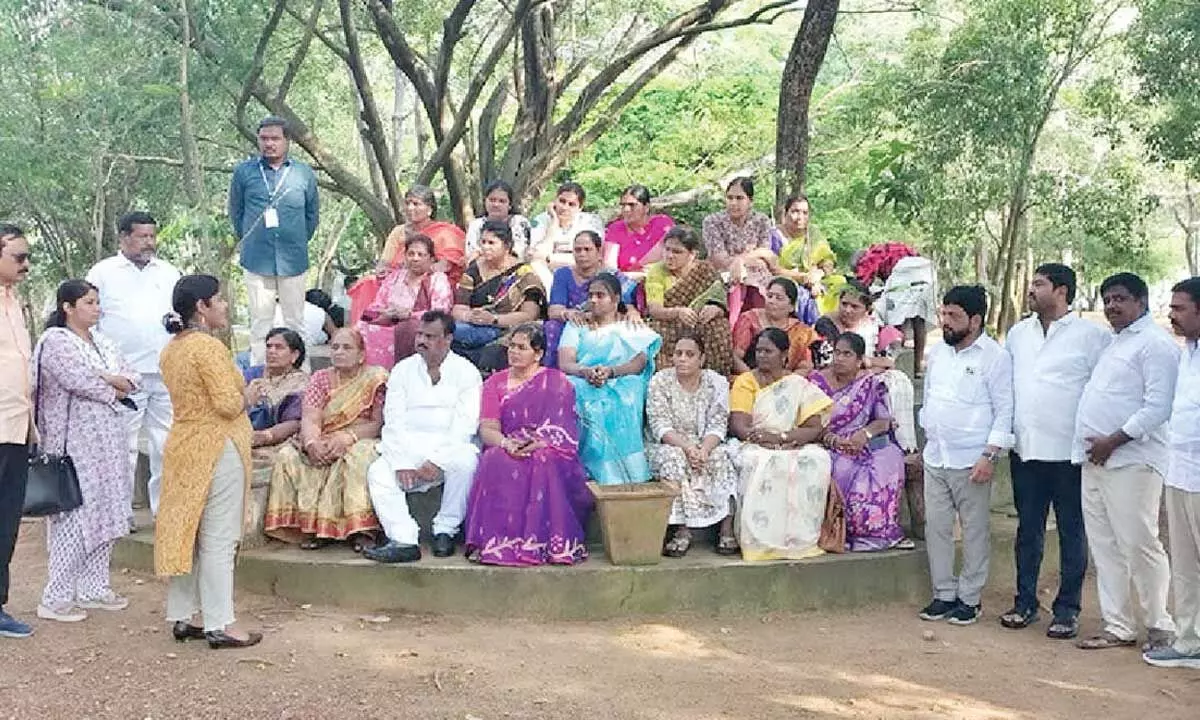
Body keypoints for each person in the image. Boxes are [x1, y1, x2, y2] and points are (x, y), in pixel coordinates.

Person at [1001, 264, 1109, 639]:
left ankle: (1067, 610)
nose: (1031, 290)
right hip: (1027, 451)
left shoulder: (1091, 336)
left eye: (1038, 284)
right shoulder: (1018, 334)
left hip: (1070, 453)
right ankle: (1025, 602)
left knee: (1071, 532)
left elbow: (1103, 390)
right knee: (1027, 531)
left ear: (1061, 291)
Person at [1074, 273, 1178, 651]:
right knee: (1104, 545)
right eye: (1107, 299)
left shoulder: (1156, 345)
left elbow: (1158, 407)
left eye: (1120, 298)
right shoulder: (1114, 343)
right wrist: (1096, 446)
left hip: (1133, 460)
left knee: (1139, 542)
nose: (1111, 306)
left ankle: (1160, 623)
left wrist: (1113, 440)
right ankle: (1118, 625)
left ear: (1141, 301)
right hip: (1095, 461)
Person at [156, 275, 261, 649]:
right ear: (201, 306)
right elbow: (228, 405)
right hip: (219, 444)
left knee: (191, 532)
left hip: (184, 444)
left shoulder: (172, 349)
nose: (225, 305)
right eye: (218, 300)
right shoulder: (208, 348)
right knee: (218, 537)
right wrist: (249, 393)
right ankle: (221, 622)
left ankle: (183, 615)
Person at [32, 280, 138, 622]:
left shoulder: (104, 342)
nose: (96, 308)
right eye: (89, 302)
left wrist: (111, 378)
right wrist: (113, 383)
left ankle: (94, 587)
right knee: (75, 515)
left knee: (107, 510)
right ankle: (56, 596)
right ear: (68, 307)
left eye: (97, 302)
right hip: (72, 443)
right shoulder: (56, 342)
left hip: (109, 441)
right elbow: (78, 380)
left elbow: (133, 377)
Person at [918, 285, 1013, 627]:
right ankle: (943, 593)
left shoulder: (995, 357)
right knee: (937, 527)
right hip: (936, 456)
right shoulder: (939, 353)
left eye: (953, 316)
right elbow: (929, 398)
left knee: (974, 530)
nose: (945, 322)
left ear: (974, 320)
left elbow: (1005, 411)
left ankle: (969, 598)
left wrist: (990, 455)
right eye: (944, 314)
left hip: (972, 459)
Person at [464, 324, 593, 566]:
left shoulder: (557, 381)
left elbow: (563, 430)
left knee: (542, 459)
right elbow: (488, 428)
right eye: (511, 346)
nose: (513, 352)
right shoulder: (495, 383)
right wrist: (506, 443)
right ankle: (498, 543)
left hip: (549, 448)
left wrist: (539, 442)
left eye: (521, 347)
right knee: (494, 459)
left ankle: (541, 543)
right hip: (510, 443)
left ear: (538, 353)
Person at [365, 311, 482, 563]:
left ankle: (445, 530)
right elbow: (393, 421)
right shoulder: (402, 370)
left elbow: (465, 424)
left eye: (430, 336)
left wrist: (438, 460)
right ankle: (404, 539)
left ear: (448, 338)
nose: (422, 341)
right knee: (379, 472)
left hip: (449, 446)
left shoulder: (466, 372)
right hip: (409, 445)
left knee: (467, 462)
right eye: (420, 334)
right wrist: (402, 462)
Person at [86, 211, 181, 519]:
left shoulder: (168, 272)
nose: (149, 243)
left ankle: (164, 512)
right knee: (122, 445)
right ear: (124, 237)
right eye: (142, 237)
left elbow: (182, 312)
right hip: (124, 375)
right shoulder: (103, 273)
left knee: (166, 443)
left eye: (152, 236)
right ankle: (119, 514)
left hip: (166, 369)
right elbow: (90, 322)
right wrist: (104, 370)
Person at [264, 328, 386, 551]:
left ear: (361, 355)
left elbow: (378, 424)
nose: (339, 352)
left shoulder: (375, 378)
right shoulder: (320, 379)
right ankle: (315, 528)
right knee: (288, 455)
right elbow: (310, 417)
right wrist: (312, 443)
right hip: (324, 436)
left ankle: (361, 530)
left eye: (347, 347)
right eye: (335, 347)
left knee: (357, 456)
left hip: (361, 436)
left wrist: (348, 437)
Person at [728, 328, 833, 561]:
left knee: (816, 459)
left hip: (788, 441)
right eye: (759, 351)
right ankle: (759, 542)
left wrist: (784, 438)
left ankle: (799, 540)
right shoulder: (746, 382)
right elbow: (740, 425)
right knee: (762, 460)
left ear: (784, 354)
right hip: (754, 443)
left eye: (768, 351)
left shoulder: (796, 383)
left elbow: (815, 428)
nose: (762, 356)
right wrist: (762, 439)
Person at [229, 116, 320, 365]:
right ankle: (259, 380)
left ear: (287, 141)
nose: (269, 144)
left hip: (293, 259)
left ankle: (301, 381)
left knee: (295, 322)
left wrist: (297, 240)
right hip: (257, 258)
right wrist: (252, 240)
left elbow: (311, 216)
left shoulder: (302, 173)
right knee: (260, 323)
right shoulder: (244, 172)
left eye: (275, 138)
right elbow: (236, 213)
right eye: (264, 139)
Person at [1144, 277, 1200, 668]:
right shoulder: (1187, 353)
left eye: (1179, 308)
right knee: (1185, 563)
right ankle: (1188, 641)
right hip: (1180, 473)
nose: (1171, 314)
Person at [810, 332, 909, 552]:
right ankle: (844, 532)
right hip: (825, 442)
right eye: (836, 352)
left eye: (847, 354)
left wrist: (864, 434)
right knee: (843, 465)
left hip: (862, 441)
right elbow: (808, 422)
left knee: (890, 456)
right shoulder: (816, 382)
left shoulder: (870, 384)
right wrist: (833, 439)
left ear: (859, 360)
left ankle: (879, 531)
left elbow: (884, 421)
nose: (839, 358)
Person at [559, 273, 661, 485]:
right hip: (583, 377)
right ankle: (587, 471)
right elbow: (566, 363)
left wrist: (611, 372)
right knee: (573, 388)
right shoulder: (577, 324)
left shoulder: (629, 326)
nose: (594, 300)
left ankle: (625, 474)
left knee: (628, 391)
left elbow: (638, 364)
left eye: (600, 295)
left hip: (621, 377)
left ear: (615, 299)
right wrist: (586, 371)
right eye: (591, 295)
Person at [646, 332, 738, 557]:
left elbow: (718, 423)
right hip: (668, 443)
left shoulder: (716, 382)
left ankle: (726, 527)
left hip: (705, 443)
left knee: (722, 457)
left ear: (702, 359)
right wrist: (688, 449)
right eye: (678, 354)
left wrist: (703, 449)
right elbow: (659, 426)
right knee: (674, 458)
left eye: (690, 354)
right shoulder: (660, 381)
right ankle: (682, 529)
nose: (682, 359)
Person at [346, 185, 466, 323]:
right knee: (367, 283)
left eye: (416, 204)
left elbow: (445, 266)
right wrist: (384, 272)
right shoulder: (398, 231)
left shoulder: (446, 232)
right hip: (395, 279)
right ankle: (359, 331)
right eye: (407, 203)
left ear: (430, 209)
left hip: (429, 280)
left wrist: (414, 271)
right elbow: (383, 263)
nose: (410, 208)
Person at [451, 219, 546, 374]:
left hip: (506, 328)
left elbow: (530, 315)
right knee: (447, 333)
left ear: (507, 246)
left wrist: (494, 320)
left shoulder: (524, 274)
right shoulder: (473, 270)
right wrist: (470, 316)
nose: (485, 247)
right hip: (474, 325)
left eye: (491, 243)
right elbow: (458, 307)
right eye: (483, 242)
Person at [645, 226, 734, 376]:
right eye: (667, 250)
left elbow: (719, 297)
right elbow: (654, 310)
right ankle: (670, 378)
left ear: (692, 254)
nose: (669, 255)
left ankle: (715, 376)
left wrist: (715, 308)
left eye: (677, 252)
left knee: (718, 325)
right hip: (669, 323)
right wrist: (678, 312)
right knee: (657, 334)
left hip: (699, 321)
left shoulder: (705, 270)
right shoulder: (657, 272)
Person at [355, 234, 453, 369]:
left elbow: (440, 312)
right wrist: (385, 313)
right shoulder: (395, 277)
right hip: (388, 321)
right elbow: (377, 304)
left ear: (431, 259)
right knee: (362, 326)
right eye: (411, 254)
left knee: (406, 329)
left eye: (421, 254)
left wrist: (408, 314)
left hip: (418, 324)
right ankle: (369, 377)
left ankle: (395, 375)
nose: (415, 259)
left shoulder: (437, 279)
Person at [0, 225, 31, 639]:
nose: (26, 265)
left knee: (6, 521)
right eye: (18, 257)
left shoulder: (15, 303)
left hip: (17, 426)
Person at [544, 230, 637, 368]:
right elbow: (554, 310)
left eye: (587, 249)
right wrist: (569, 314)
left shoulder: (610, 275)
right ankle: (553, 376)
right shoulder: (563, 274)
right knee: (552, 326)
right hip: (574, 323)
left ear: (599, 252)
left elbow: (626, 302)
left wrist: (632, 311)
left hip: (603, 322)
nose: (582, 254)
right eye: (577, 250)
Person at [701, 177, 774, 325]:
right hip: (722, 276)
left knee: (769, 290)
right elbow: (719, 259)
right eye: (730, 198)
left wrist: (739, 261)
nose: (733, 203)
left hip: (757, 275)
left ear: (750, 201)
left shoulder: (762, 221)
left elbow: (765, 255)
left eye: (739, 198)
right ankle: (734, 331)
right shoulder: (712, 222)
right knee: (735, 284)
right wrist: (744, 261)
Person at [242, 328, 308, 470]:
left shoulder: (301, 383)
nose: (271, 351)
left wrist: (265, 436)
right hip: (242, 433)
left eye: (279, 347)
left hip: (277, 440)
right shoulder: (251, 374)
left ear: (294, 355)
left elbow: (295, 423)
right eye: (268, 346)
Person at [731, 277, 816, 375]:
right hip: (750, 379)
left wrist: (783, 383)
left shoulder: (800, 331)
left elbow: (805, 366)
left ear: (791, 307)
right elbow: (736, 357)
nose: (772, 301)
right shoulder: (750, 319)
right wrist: (754, 380)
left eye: (779, 298)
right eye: (770, 296)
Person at [528, 181, 605, 287]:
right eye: (562, 201)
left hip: (580, 272)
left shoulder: (591, 221)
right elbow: (536, 256)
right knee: (535, 266)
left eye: (571, 204)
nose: (565, 207)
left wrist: (549, 258)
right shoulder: (541, 220)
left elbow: (591, 257)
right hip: (547, 274)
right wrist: (554, 223)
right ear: (555, 200)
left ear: (580, 208)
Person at [602, 184, 674, 281]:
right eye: (623, 205)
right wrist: (638, 274)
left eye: (632, 205)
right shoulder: (615, 228)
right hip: (624, 285)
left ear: (646, 207)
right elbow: (609, 269)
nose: (626, 209)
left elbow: (669, 259)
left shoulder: (662, 224)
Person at [465, 180, 532, 260]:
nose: (496, 205)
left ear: (510, 205)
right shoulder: (476, 225)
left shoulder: (520, 223)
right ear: (485, 201)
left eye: (502, 201)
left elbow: (521, 252)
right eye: (492, 200)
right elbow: (471, 254)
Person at [773, 194, 831, 267]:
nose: (800, 217)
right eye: (795, 211)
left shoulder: (813, 233)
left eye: (805, 213)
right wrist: (801, 276)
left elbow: (827, 260)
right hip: (783, 276)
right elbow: (773, 268)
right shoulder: (775, 235)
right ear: (785, 213)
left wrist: (820, 272)